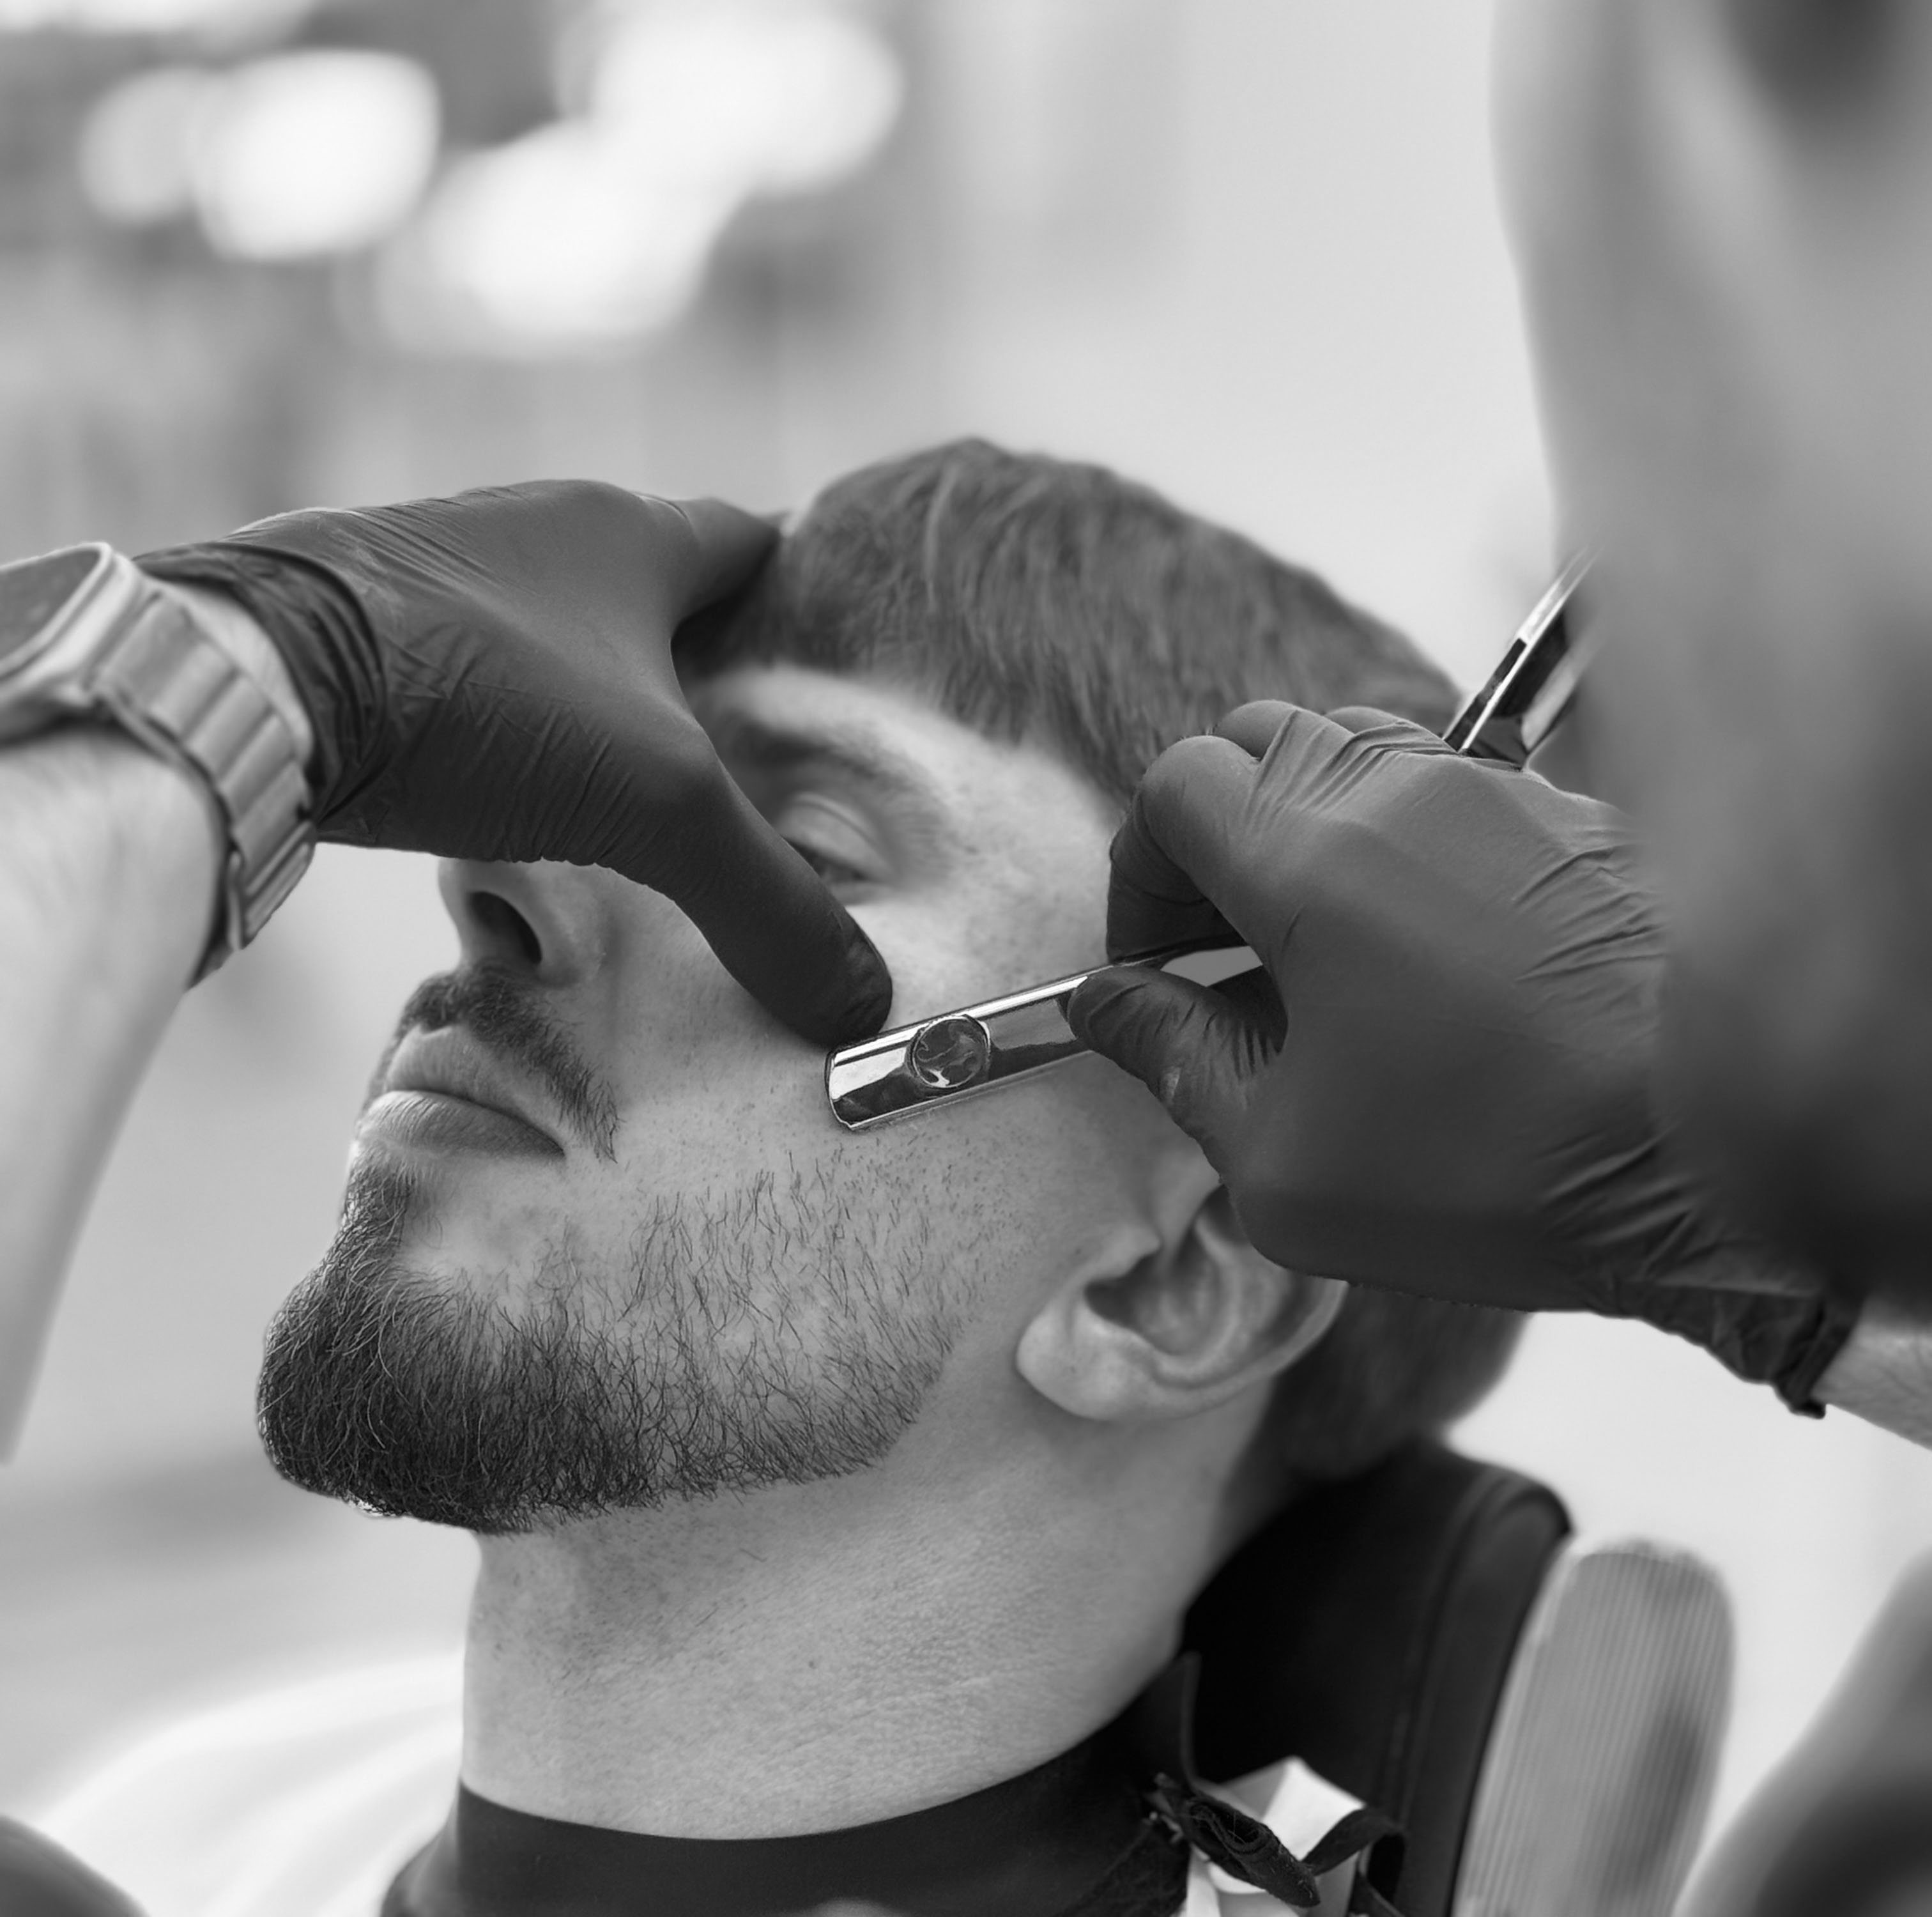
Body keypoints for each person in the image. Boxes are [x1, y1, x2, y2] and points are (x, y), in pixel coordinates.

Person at [15, 442, 1522, 1917]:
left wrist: (192, 711)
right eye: (603, 798)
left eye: (805, 843)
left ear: (1169, 1284)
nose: (501, 882)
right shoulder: (188, 1811)